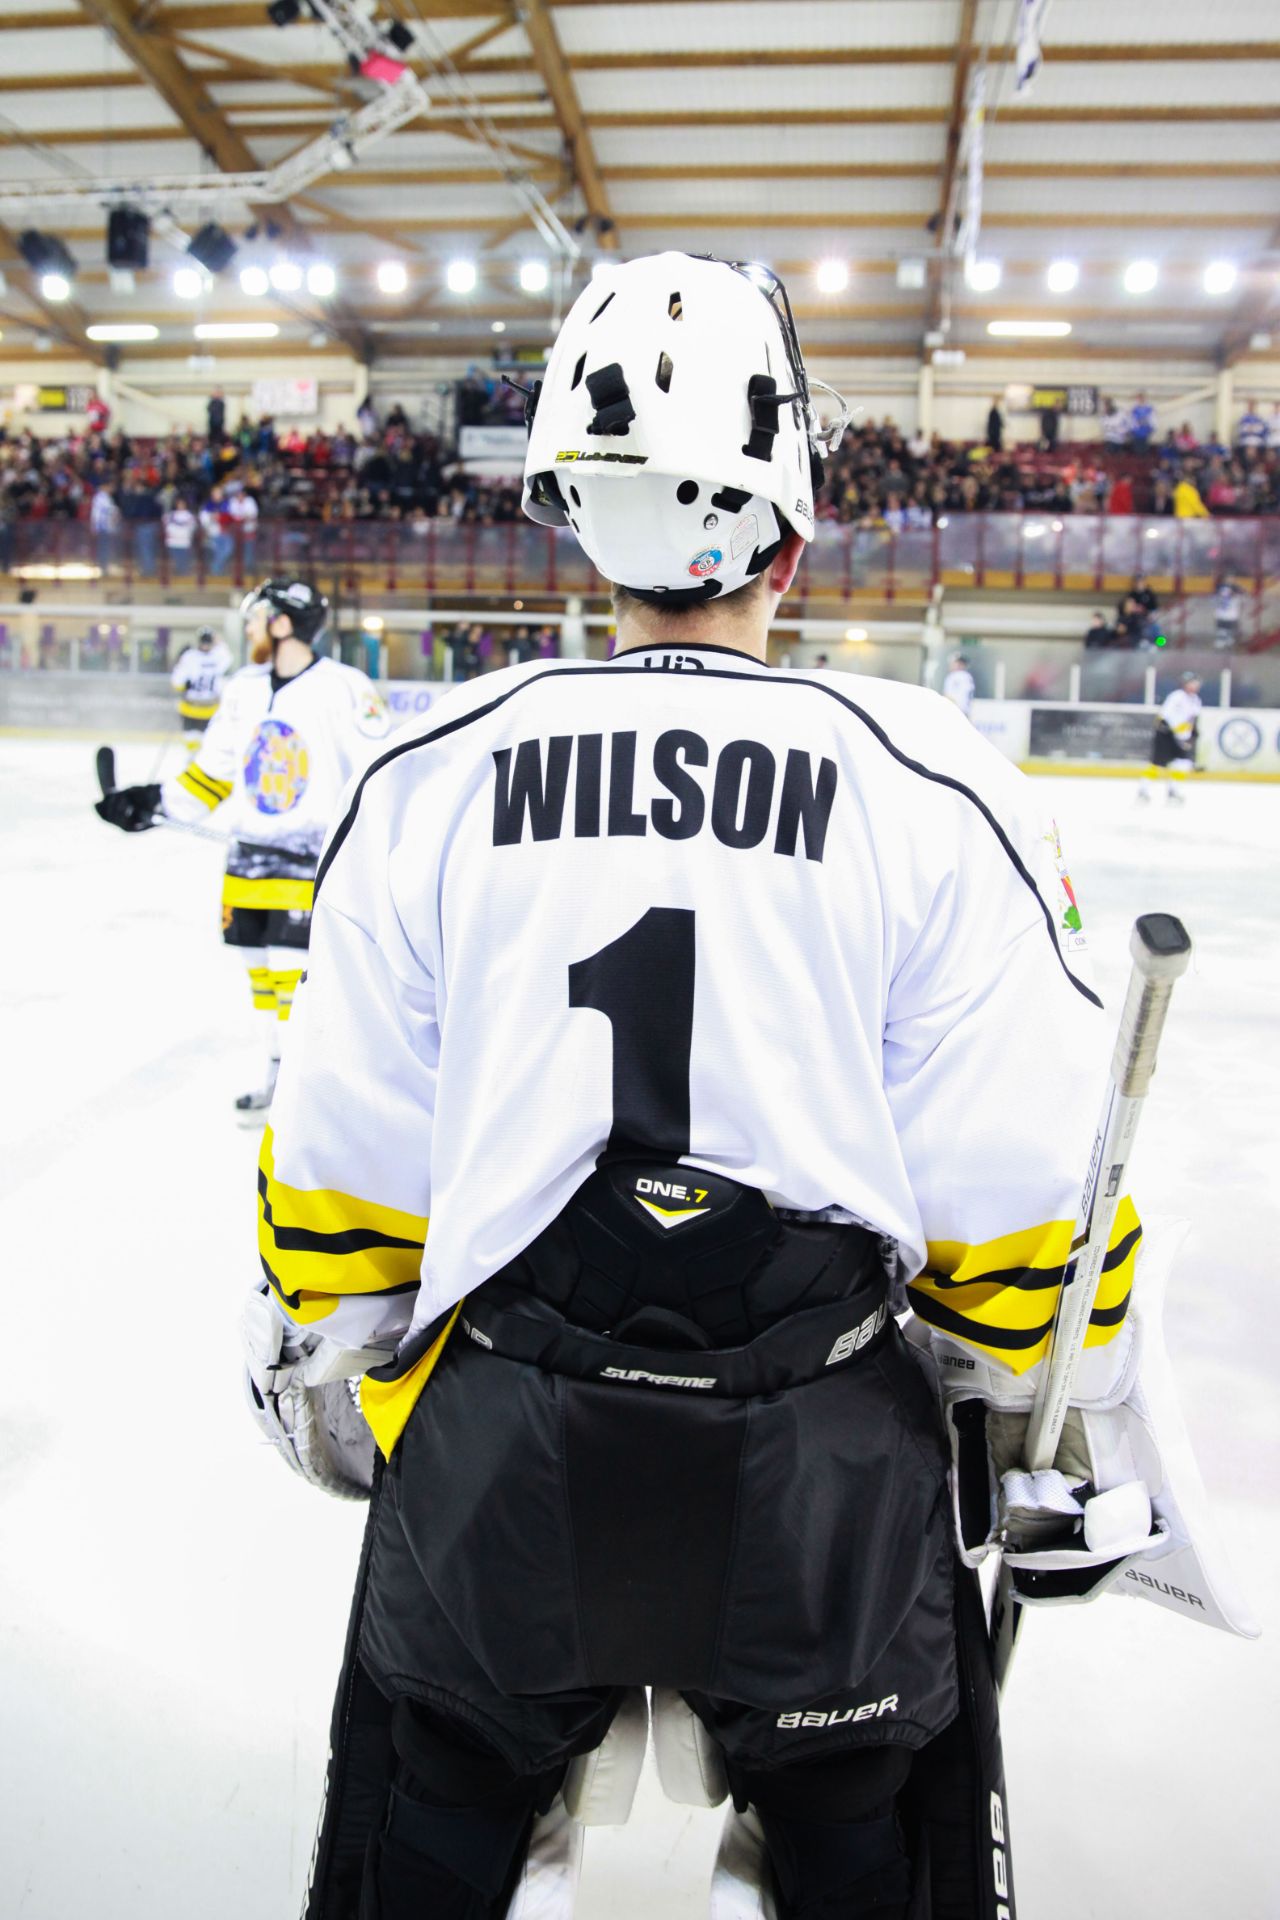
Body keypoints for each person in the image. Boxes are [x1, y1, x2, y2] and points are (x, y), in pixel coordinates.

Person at [243, 252, 1209, 1920]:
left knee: (420, 1813)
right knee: (872, 1833)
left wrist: (372, 1421)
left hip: (498, 1488)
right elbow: (1027, 1222)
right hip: (824, 1518)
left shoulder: (421, 779)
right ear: (796, 528)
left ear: (568, 506)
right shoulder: (933, 782)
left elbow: (335, 1202)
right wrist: (1022, 1431)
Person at [95, 579, 390, 1117]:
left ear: (282, 624)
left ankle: (307, 1086)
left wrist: (370, 848)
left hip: (311, 862)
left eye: (256, 618)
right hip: (249, 860)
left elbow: (382, 775)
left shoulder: (345, 687)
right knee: (259, 971)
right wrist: (150, 802)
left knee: (291, 973)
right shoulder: (243, 689)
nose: (248, 628)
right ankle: (277, 1075)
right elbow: (212, 774)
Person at [1140, 671, 1202, 804]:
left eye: (1196, 683)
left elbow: (1193, 721)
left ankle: (1173, 791)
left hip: (1181, 738)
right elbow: (1163, 717)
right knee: (1157, 765)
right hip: (1166, 736)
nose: (1195, 685)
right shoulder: (1176, 697)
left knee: (1183, 764)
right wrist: (1169, 733)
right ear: (1185, 683)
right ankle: (1143, 791)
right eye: (1192, 682)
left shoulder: (1196, 700)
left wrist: (1191, 737)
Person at [169, 625, 232, 745]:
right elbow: (227, 656)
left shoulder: (190, 656)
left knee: (191, 743)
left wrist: (184, 686)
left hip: (190, 707)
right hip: (210, 708)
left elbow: (177, 682)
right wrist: (220, 641)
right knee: (207, 745)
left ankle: (191, 760)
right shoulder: (219, 656)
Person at [942, 650, 976, 715]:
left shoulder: (963, 676)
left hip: (958, 710)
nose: (957, 665)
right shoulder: (953, 676)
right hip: (956, 709)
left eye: (960, 663)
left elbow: (962, 696)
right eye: (955, 663)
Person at [1214, 578, 1245, 649]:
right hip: (1227, 615)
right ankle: (1224, 641)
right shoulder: (1236, 597)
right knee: (1224, 629)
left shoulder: (1221, 595)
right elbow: (1242, 596)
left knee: (1224, 629)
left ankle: (1224, 641)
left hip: (1224, 615)